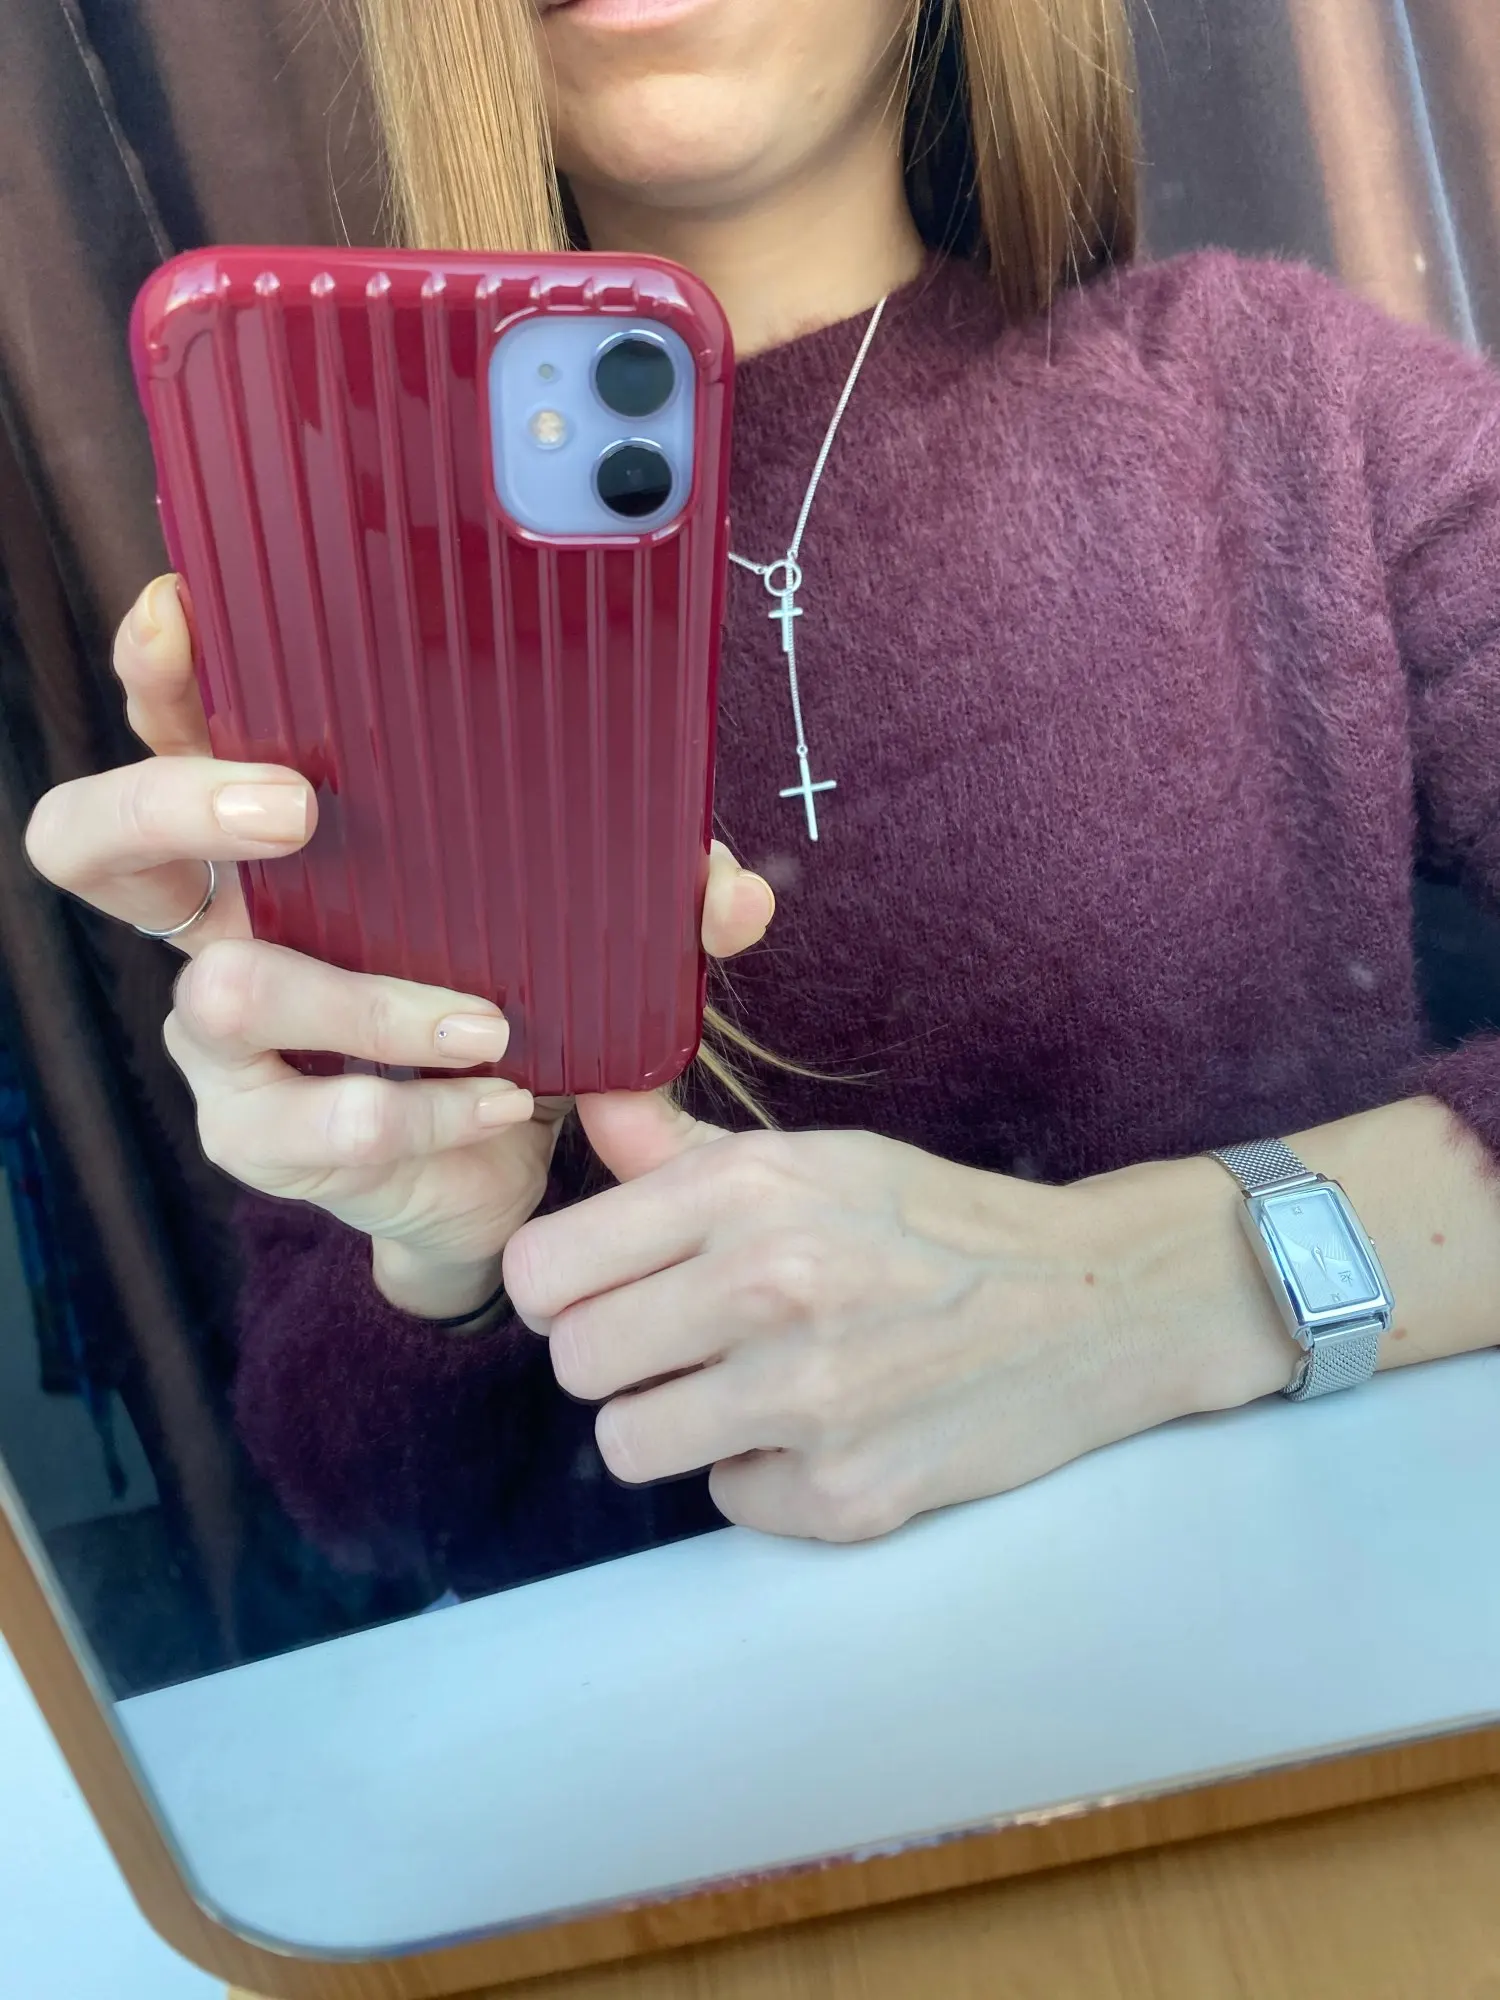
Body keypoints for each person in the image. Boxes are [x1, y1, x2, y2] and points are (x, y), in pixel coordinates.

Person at [24, 0, 1500, 1595]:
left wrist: (1153, 1287)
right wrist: (437, 1253)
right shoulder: (359, 568)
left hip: (1302, 1677)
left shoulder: (1288, 401)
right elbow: (361, 1499)